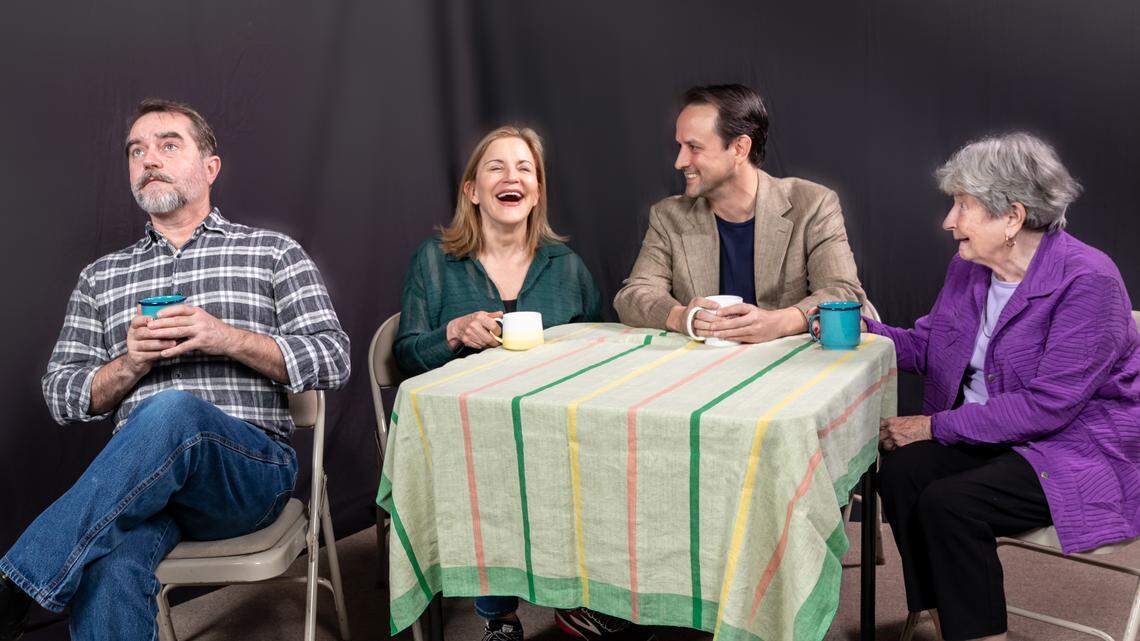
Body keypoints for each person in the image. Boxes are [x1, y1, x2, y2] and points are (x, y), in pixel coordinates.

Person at [0, 99, 350, 641]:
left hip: (245, 477)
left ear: (210, 167)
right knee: (108, 569)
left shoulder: (272, 252)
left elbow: (333, 357)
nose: (148, 159)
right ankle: (25, 585)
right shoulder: (101, 277)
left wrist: (223, 336)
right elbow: (60, 394)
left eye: (168, 144)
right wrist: (129, 363)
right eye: (136, 150)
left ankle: (17, 587)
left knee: (177, 410)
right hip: (140, 492)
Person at [869, 132, 1140, 641]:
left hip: (1075, 448)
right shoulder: (970, 269)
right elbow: (931, 348)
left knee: (951, 503)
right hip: (994, 438)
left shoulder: (1088, 280)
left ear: (1012, 217)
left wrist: (933, 425)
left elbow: (1047, 407)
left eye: (963, 206)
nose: (949, 222)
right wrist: (861, 331)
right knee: (903, 472)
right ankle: (949, 618)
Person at [393, 126, 650, 641]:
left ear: (537, 191)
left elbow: (600, 347)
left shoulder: (566, 266)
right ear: (472, 190)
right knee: (486, 457)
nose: (512, 178)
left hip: (556, 430)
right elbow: (405, 353)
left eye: (524, 169)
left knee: (607, 450)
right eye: (496, 167)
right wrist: (452, 332)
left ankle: (590, 599)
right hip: (469, 434)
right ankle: (499, 618)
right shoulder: (435, 261)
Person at [613, 84, 865, 343]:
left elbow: (844, 292)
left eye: (694, 147)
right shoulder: (668, 217)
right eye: (680, 146)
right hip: (705, 372)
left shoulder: (813, 205)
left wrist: (779, 322)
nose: (680, 161)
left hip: (793, 372)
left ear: (739, 148)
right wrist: (683, 317)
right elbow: (633, 296)